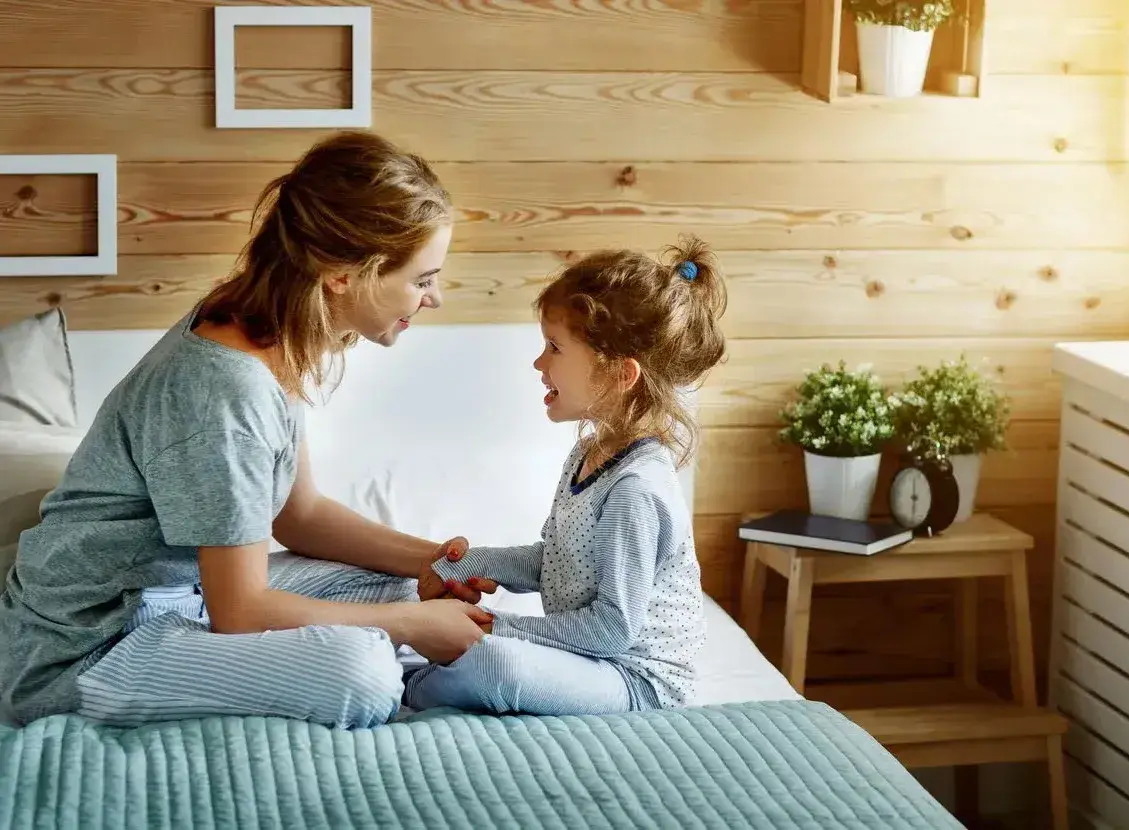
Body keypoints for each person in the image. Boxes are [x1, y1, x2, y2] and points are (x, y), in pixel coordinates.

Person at [0, 131, 498, 729]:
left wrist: (433, 562)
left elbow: (300, 514)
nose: (434, 298)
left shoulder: (268, 323)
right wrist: (412, 628)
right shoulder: (226, 387)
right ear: (342, 272)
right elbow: (240, 609)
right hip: (91, 648)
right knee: (361, 676)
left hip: (186, 597)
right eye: (423, 278)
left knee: (398, 590)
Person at [404, 235, 728, 716]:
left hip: (637, 682)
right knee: (485, 654)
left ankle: (407, 686)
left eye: (554, 348)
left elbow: (611, 630)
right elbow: (554, 565)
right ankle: (423, 671)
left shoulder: (635, 491)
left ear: (621, 375)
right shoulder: (587, 455)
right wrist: (464, 566)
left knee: (498, 666)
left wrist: (492, 625)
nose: (539, 363)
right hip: (592, 660)